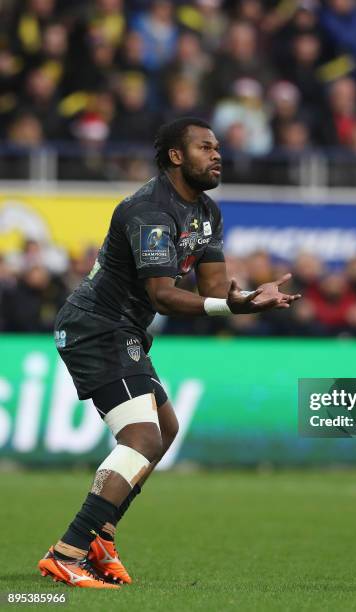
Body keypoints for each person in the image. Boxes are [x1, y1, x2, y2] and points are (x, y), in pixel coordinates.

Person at [37, 117, 301, 589]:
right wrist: (228, 306)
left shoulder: (207, 212)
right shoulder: (149, 211)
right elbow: (162, 295)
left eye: (218, 147)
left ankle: (103, 535)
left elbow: (215, 289)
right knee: (142, 439)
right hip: (95, 326)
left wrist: (243, 302)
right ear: (176, 156)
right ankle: (68, 550)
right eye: (205, 147)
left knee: (167, 428)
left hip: (124, 330)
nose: (217, 154)